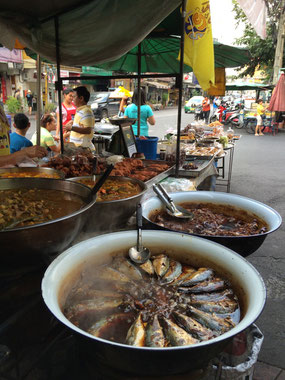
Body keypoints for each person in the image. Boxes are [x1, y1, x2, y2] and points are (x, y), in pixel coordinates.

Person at [64, 86, 95, 151]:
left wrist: (72, 128)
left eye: (74, 96)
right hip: (78, 148)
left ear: (81, 98)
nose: (72, 99)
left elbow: (87, 130)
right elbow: (81, 123)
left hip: (83, 149)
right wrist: (73, 122)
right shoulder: (80, 110)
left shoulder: (86, 111)